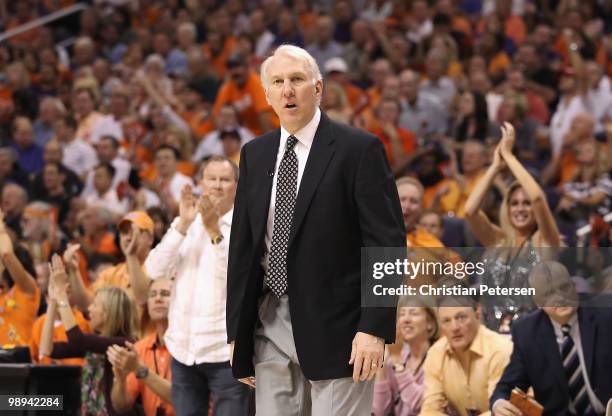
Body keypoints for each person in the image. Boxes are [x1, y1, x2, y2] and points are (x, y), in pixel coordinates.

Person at [227, 44, 405, 415]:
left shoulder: (358, 149)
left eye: (297, 80)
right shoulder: (254, 154)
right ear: (267, 95)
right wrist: (236, 332)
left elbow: (386, 244)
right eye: (278, 82)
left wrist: (374, 326)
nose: (288, 90)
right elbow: (243, 247)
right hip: (268, 320)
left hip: (341, 326)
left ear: (318, 88)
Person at [143, 156, 249, 415]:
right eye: (211, 179)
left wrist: (215, 231)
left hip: (225, 352)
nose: (217, 186)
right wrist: (182, 224)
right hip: (183, 348)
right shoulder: (187, 224)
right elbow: (154, 269)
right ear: (201, 183)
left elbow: (240, 279)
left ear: (236, 186)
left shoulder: (245, 223)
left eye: (224, 180)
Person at [464, 122, 561, 328]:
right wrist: (495, 167)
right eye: (514, 203)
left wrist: (510, 157)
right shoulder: (498, 240)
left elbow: (537, 198)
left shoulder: (546, 240)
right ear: (507, 209)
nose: (521, 209)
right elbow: (470, 211)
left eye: (526, 204)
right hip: (490, 336)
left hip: (529, 337)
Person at [491, 261, 612, 415]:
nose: (561, 298)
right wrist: (499, 403)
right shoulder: (527, 332)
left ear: (573, 286)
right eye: (549, 293)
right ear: (538, 302)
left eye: (564, 287)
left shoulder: (606, 314)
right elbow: (507, 386)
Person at [40, 255, 138, 415]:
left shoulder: (123, 344)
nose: (89, 310)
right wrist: (53, 301)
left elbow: (77, 340)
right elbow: (47, 349)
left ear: (108, 313)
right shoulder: (96, 342)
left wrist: (62, 297)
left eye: (95, 305)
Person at [420, 294, 513, 415]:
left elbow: (500, 412)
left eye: (461, 317)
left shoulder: (500, 349)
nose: (454, 328)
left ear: (477, 314)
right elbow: (430, 410)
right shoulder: (436, 353)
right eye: (446, 321)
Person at [108, 278, 175, 416]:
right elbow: (122, 407)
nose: (158, 298)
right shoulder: (140, 348)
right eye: (152, 295)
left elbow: (183, 397)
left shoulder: (190, 346)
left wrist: (139, 369)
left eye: (165, 294)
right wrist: (120, 380)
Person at [372, 296, 439, 416]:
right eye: (402, 314)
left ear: (430, 323)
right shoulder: (393, 357)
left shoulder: (439, 357)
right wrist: (382, 366)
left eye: (414, 313)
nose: (406, 320)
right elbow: (380, 411)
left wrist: (398, 360)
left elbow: (421, 405)